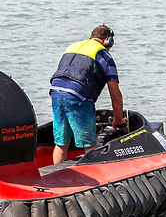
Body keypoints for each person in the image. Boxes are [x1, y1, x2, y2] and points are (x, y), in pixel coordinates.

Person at [49, 24, 125, 164]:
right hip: (78, 97)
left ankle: (56, 175)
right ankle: (93, 176)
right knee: (89, 145)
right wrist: (118, 120)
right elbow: (115, 94)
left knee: (61, 143)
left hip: (56, 93)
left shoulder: (72, 47)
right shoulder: (104, 56)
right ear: (108, 41)